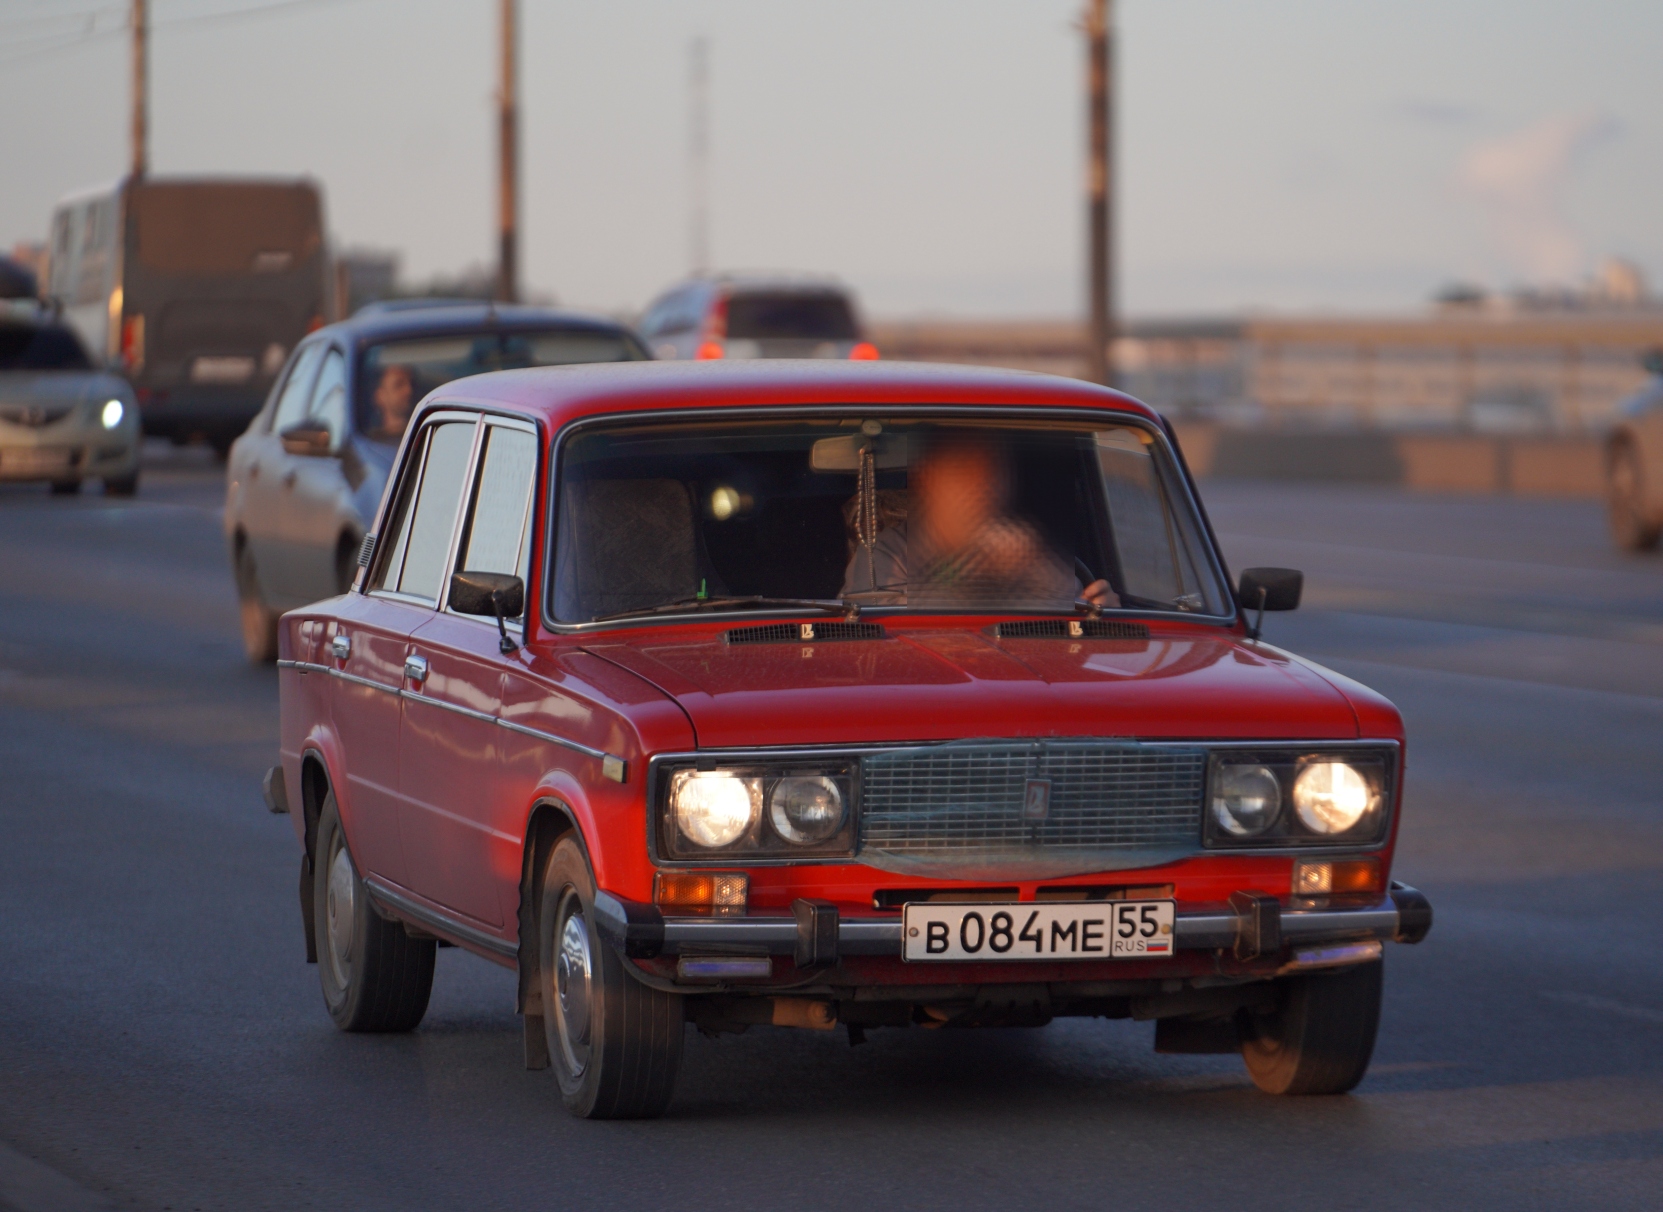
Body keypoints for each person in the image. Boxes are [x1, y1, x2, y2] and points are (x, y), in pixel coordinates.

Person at [841, 429, 1118, 609]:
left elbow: (1071, 623)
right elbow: (886, 633)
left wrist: (1101, 611)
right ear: (929, 481)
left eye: (992, 476)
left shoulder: (1028, 550)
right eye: (964, 475)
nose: (981, 491)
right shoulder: (888, 552)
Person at [366, 364, 416, 440]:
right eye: (399, 385)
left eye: (412, 384)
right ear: (380, 396)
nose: (408, 391)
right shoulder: (371, 442)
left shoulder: (426, 434)